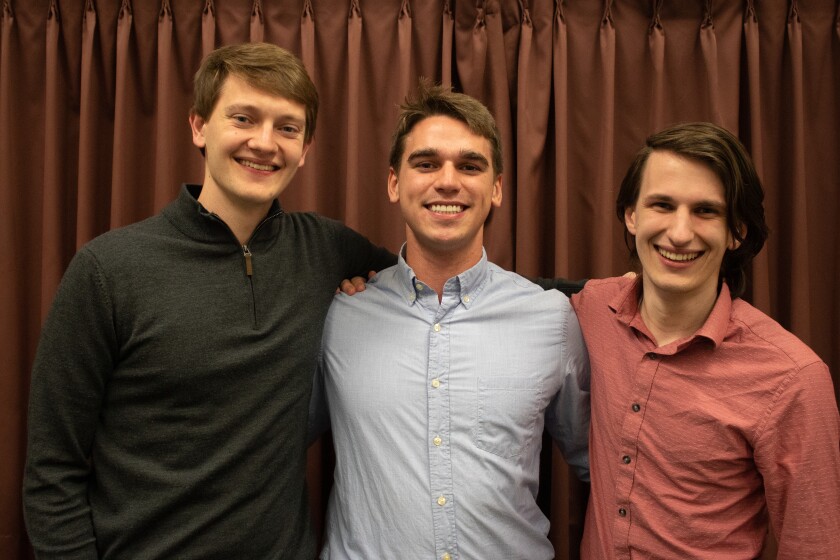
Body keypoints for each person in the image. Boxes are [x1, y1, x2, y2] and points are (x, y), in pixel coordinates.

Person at [22, 42, 396, 559]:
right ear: (199, 127)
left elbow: (436, 279)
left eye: (287, 127)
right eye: (244, 118)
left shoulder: (326, 249)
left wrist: (549, 299)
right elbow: (52, 471)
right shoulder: (108, 270)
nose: (265, 143)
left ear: (306, 148)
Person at [309, 82, 591, 560]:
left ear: (497, 188)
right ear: (394, 182)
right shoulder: (338, 316)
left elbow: (603, 464)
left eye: (469, 165)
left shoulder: (552, 319)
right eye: (426, 163)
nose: (448, 181)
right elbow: (271, 447)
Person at [571, 122, 840, 559]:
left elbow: (815, 546)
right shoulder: (593, 309)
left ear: (738, 231)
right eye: (662, 204)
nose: (679, 233)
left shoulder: (793, 378)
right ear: (631, 215)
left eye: (706, 211)